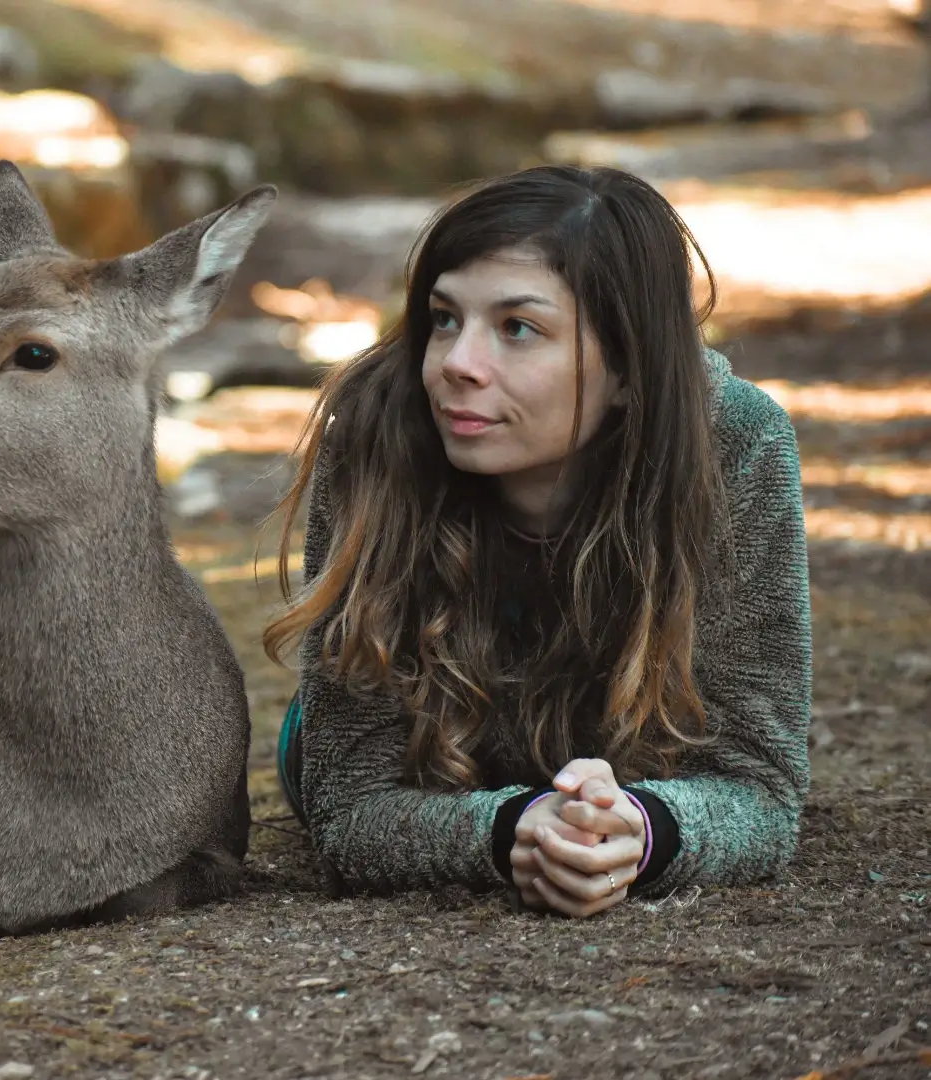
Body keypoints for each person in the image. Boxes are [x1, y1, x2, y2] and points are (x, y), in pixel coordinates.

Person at [264, 164, 812, 918]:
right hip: (440, 766)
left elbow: (758, 788)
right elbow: (350, 807)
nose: (455, 363)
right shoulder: (375, 432)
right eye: (445, 318)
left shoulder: (735, 443)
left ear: (628, 367)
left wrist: (641, 833)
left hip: (634, 764)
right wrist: (508, 830)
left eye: (518, 328)